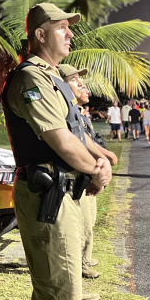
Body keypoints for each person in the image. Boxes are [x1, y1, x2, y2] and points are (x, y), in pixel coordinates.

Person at [2, 3, 112, 300]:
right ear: (40, 34)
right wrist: (97, 173)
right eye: (62, 28)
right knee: (63, 293)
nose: (70, 34)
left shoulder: (50, 78)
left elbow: (75, 133)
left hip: (58, 190)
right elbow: (59, 141)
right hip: (48, 193)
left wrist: (98, 159)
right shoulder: (31, 77)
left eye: (70, 28)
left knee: (49, 287)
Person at [59, 64, 118, 285]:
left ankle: (83, 259)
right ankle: (81, 263)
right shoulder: (62, 109)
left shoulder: (76, 111)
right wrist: (98, 168)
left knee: (87, 221)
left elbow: (85, 139)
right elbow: (75, 142)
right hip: (73, 177)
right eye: (75, 81)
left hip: (82, 174)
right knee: (79, 225)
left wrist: (102, 158)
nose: (84, 87)